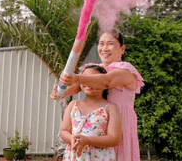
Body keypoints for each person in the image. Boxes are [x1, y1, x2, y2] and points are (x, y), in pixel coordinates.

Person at [52, 29, 144, 161]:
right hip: (96, 126)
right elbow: (77, 86)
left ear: (122, 48)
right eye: (101, 44)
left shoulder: (125, 70)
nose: (104, 48)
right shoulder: (94, 69)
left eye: (110, 43)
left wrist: (76, 78)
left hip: (119, 127)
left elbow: (106, 81)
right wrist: (61, 91)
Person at [60, 65, 122, 160]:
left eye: (93, 79)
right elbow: (64, 131)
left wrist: (87, 140)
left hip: (99, 157)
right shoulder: (73, 105)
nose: (88, 82)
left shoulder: (111, 108)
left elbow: (114, 139)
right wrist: (72, 139)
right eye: (84, 78)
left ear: (105, 85)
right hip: (74, 156)